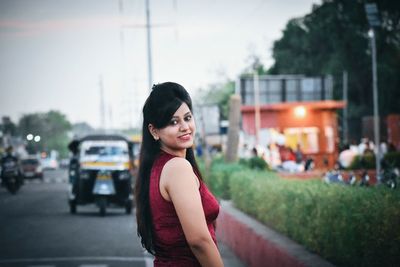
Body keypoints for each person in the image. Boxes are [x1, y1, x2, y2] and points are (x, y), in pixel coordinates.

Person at [135, 82, 223, 267]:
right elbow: (199, 241)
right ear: (154, 131)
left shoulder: (157, 167)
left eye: (187, 118)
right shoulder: (177, 168)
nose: (185, 127)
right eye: (173, 122)